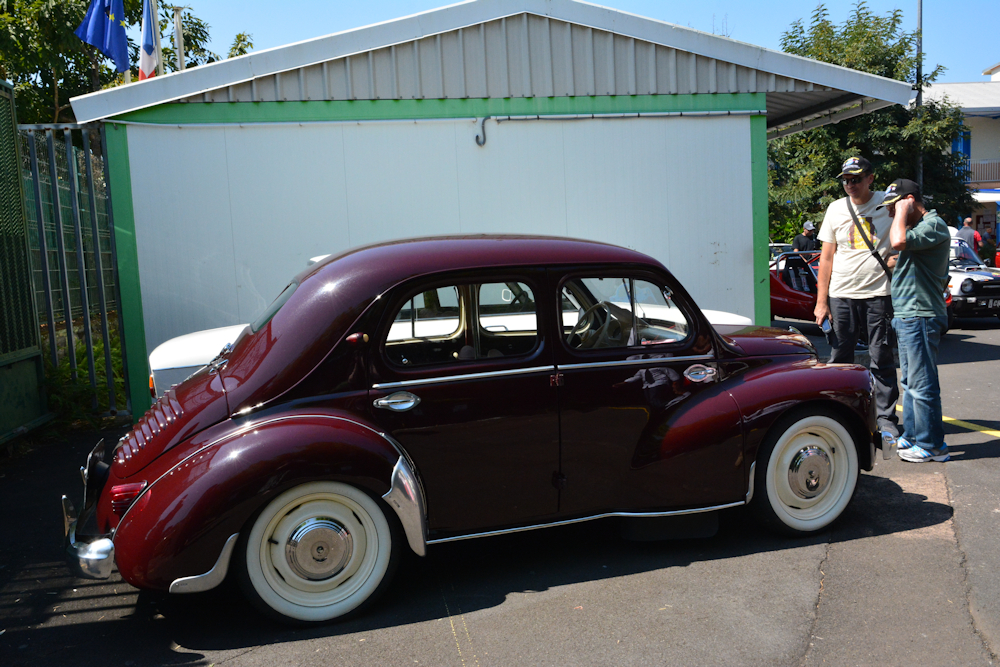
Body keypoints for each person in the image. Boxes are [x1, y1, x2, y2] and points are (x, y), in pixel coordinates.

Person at [815, 156, 900, 444]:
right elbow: (826, 257)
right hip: (841, 294)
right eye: (846, 180)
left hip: (879, 295)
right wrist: (821, 302)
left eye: (856, 179)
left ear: (870, 178)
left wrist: (900, 256)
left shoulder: (888, 203)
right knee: (840, 359)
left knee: (882, 358)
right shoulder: (836, 208)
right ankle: (840, 415)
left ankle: (885, 419)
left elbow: (909, 231)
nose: (850, 184)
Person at [880, 179, 951, 462]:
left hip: (921, 314)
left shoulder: (933, 225)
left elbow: (898, 242)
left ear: (910, 200)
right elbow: (897, 252)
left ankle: (933, 445)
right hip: (908, 314)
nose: (890, 212)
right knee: (910, 382)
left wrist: (901, 211)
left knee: (923, 385)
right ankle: (912, 435)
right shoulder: (918, 228)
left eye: (893, 206)